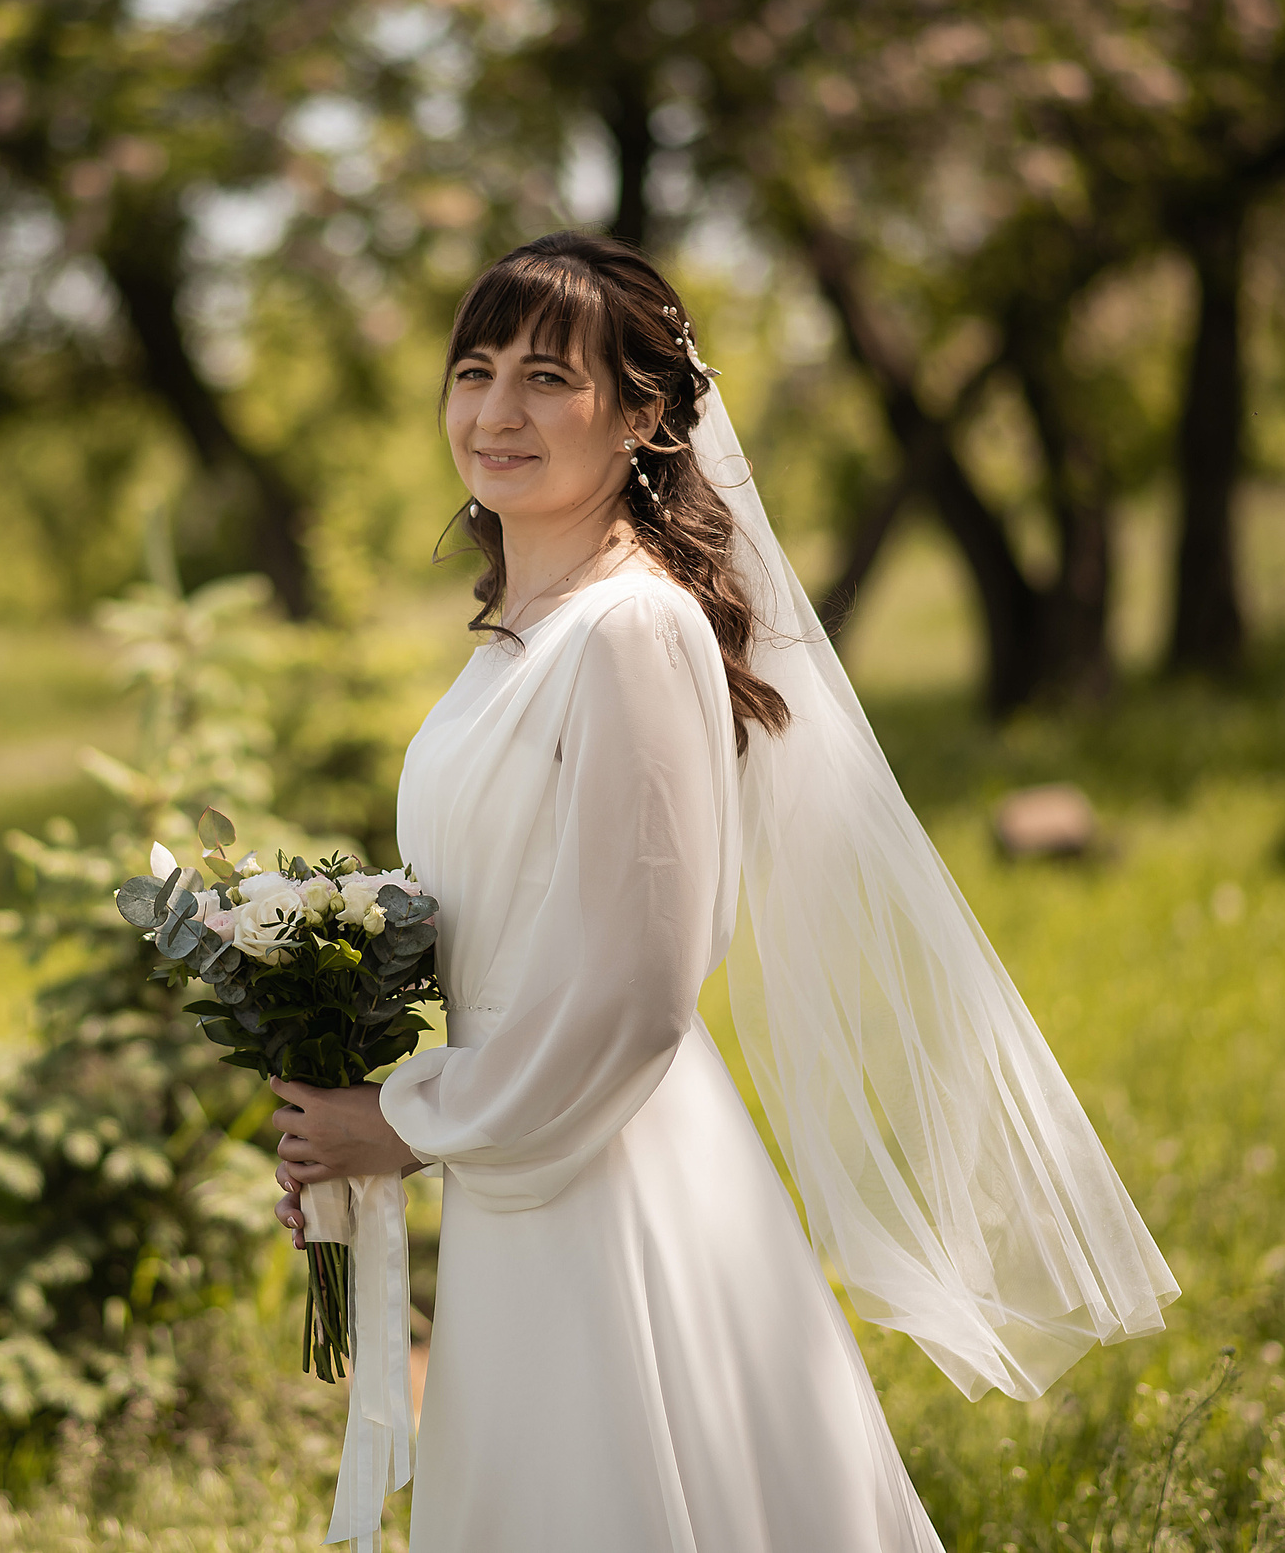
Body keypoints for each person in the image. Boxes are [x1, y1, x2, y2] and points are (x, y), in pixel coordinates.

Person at [268, 233, 1176, 1551]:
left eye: (548, 379)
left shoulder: (631, 633)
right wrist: (329, 1063)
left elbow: (638, 989)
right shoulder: (519, 641)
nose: (497, 412)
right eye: (473, 372)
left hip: (614, 1180)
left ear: (643, 417)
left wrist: (400, 1123)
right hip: (519, 1164)